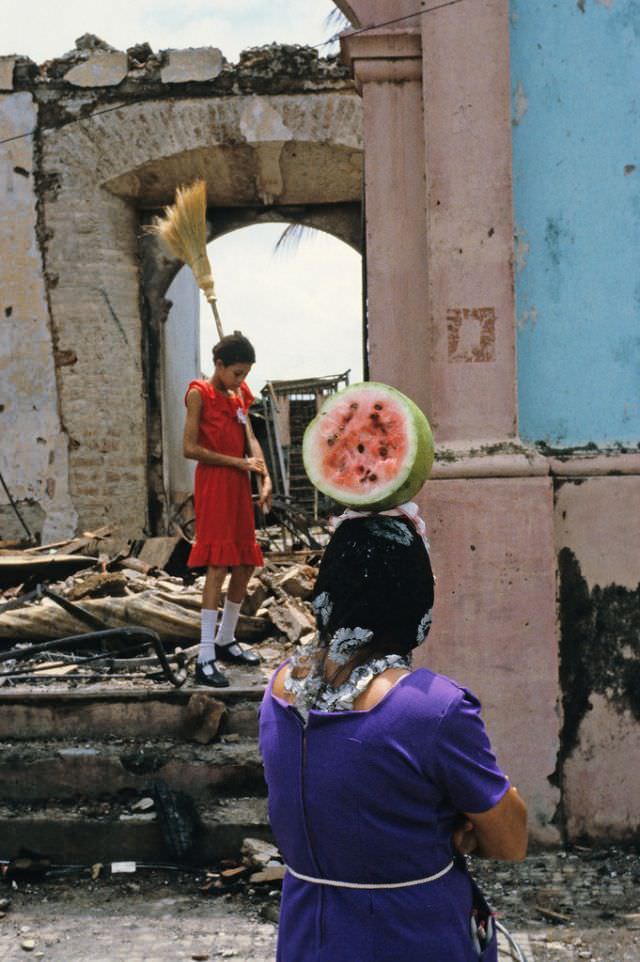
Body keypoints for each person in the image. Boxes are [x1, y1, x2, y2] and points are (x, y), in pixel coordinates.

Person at [259, 511, 527, 962]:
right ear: (415, 600)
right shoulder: (432, 707)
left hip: (308, 937)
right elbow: (510, 840)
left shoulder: (279, 689)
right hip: (412, 935)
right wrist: (458, 826)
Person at [183, 332, 272, 688]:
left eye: (246, 374)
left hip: (238, 484)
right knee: (218, 565)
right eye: (236, 373)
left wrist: (263, 476)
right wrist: (237, 463)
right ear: (218, 365)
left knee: (246, 562)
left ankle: (226, 639)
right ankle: (204, 655)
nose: (241, 380)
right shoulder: (198, 394)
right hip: (215, 483)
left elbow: (250, 437)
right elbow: (189, 448)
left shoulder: (238, 395)